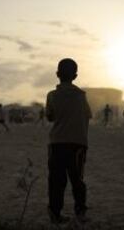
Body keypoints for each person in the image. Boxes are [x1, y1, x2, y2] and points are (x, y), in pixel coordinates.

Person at [46, 58, 92, 224]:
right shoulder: (81, 96)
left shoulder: (51, 95)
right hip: (78, 143)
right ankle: (80, 212)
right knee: (77, 180)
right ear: (75, 75)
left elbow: (50, 116)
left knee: (56, 181)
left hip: (57, 143)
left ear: (57, 74)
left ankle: (55, 213)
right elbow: (88, 115)